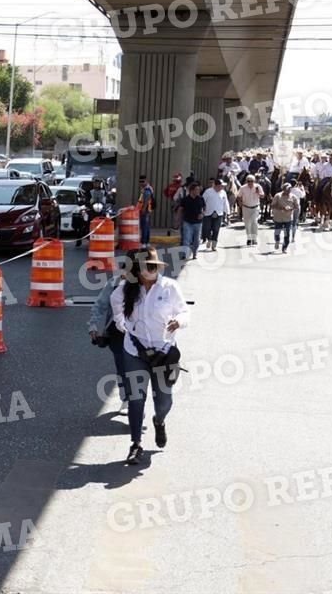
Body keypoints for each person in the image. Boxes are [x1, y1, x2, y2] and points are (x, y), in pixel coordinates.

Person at [111, 247, 189, 465]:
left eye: (156, 266)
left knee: (163, 400)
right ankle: (136, 444)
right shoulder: (125, 290)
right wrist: (123, 325)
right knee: (136, 399)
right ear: (137, 269)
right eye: (149, 266)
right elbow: (116, 311)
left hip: (164, 352)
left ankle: (159, 420)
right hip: (135, 352)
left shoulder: (170, 287)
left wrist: (179, 322)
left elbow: (184, 311)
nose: (153, 270)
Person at [88, 257, 139, 414]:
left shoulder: (145, 286)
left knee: (138, 369)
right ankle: (127, 399)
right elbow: (100, 305)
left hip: (140, 334)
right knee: (122, 367)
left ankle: (137, 400)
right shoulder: (114, 283)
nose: (126, 275)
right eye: (125, 271)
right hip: (117, 334)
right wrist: (93, 325)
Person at [178, 181, 205, 260]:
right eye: (196, 190)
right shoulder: (185, 199)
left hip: (198, 223)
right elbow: (180, 209)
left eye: (199, 190)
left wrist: (202, 214)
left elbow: (204, 208)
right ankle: (185, 254)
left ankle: (195, 253)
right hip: (187, 222)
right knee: (186, 239)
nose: (198, 191)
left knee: (197, 240)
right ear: (191, 190)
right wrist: (178, 220)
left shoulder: (200, 198)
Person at [271, 182, 299, 254]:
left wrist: (291, 208)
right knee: (277, 232)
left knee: (287, 234)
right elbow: (273, 205)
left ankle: (285, 247)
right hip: (278, 218)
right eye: (287, 189)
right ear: (283, 189)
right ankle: (277, 241)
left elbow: (297, 206)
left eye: (290, 189)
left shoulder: (293, 197)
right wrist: (282, 208)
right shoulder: (278, 196)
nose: (288, 191)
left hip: (288, 218)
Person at [201, 178, 229, 251]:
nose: (222, 187)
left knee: (216, 229)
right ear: (216, 185)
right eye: (220, 186)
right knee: (207, 228)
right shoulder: (208, 192)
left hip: (219, 213)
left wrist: (227, 212)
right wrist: (202, 210)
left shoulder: (223, 192)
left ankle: (214, 244)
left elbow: (225, 202)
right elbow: (202, 201)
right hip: (208, 213)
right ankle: (209, 239)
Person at [237, 174, 264, 246]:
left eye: (251, 181)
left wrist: (258, 192)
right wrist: (240, 204)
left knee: (254, 222)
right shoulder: (243, 188)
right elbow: (239, 196)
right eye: (248, 181)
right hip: (246, 207)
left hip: (255, 207)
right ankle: (249, 238)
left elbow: (262, 196)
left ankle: (254, 239)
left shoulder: (258, 187)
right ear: (246, 181)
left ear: (254, 181)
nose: (250, 183)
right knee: (247, 223)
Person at [137, 175, 155, 247]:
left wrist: (143, 209)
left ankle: (144, 242)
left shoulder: (147, 190)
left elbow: (146, 200)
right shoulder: (146, 188)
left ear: (146, 181)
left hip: (145, 210)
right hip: (146, 210)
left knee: (144, 226)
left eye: (143, 181)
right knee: (146, 226)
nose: (141, 183)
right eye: (140, 181)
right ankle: (146, 242)